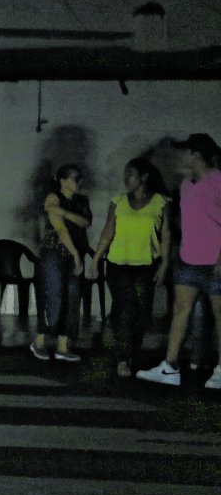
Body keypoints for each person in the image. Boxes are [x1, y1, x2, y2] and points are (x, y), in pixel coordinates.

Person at [137, 133, 221, 389]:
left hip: (215, 261)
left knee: (220, 316)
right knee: (180, 312)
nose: (182, 156)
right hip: (189, 260)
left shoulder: (218, 181)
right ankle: (170, 367)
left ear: (196, 154)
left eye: (186, 151)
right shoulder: (186, 185)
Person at [87, 158, 170, 377]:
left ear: (144, 177)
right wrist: (96, 258)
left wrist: (165, 263)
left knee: (141, 313)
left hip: (145, 265)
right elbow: (108, 231)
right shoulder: (118, 201)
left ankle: (130, 353)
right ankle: (122, 358)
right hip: (118, 263)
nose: (126, 179)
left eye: (131, 174)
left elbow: (165, 235)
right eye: (125, 174)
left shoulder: (160, 202)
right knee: (125, 310)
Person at [30, 164, 93, 362]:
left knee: (72, 298)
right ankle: (39, 341)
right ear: (63, 181)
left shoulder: (81, 200)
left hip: (75, 252)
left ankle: (63, 346)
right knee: (52, 296)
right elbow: (60, 229)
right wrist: (75, 253)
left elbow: (86, 222)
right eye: (75, 179)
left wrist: (64, 213)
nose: (78, 183)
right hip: (55, 252)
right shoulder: (53, 197)